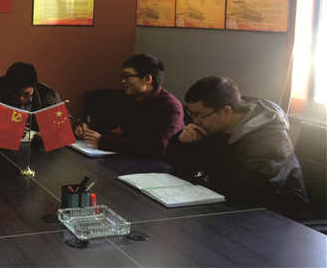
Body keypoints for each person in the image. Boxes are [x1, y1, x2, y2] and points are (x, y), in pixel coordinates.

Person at [166, 76, 309, 220]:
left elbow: (247, 190)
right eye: (191, 114)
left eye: (199, 115)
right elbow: (177, 163)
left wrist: (203, 173)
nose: (195, 121)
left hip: (278, 217)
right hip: (232, 207)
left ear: (226, 111)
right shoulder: (215, 125)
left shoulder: (270, 140)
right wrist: (181, 142)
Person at [75, 54, 185, 156]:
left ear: (147, 79)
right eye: (122, 76)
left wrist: (103, 142)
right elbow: (107, 124)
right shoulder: (128, 98)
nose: (123, 81)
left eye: (127, 76)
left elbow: (158, 147)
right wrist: (86, 130)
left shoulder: (171, 107)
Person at [0, 62, 70, 141]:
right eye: (16, 93)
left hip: (38, 149)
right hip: (0, 148)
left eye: (26, 94)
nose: (21, 98)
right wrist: (3, 127)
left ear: (34, 87)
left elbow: (64, 122)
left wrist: (49, 133)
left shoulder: (47, 95)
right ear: (8, 87)